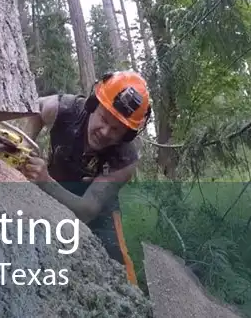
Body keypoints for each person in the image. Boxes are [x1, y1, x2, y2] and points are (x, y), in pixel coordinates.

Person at [18, 71, 152, 286]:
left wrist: (44, 181)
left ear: (127, 135)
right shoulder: (67, 108)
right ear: (92, 105)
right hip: (55, 185)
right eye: (103, 119)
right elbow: (37, 109)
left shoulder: (125, 160)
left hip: (98, 208)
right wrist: (24, 147)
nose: (105, 132)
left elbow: (88, 210)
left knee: (118, 263)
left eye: (116, 130)